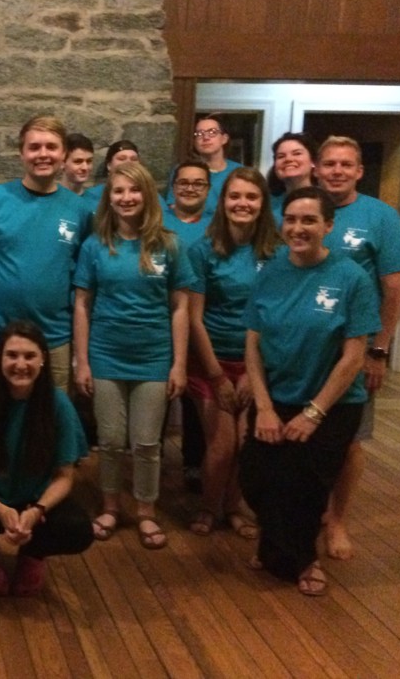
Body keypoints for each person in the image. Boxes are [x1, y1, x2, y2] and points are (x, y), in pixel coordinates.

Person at [240, 186, 380, 596]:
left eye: (309, 220)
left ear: (328, 226)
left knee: (304, 485)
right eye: (292, 220)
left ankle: (303, 560)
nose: (298, 228)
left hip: (331, 403)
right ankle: (275, 544)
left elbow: (353, 357)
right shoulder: (271, 272)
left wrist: (314, 413)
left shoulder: (351, 278)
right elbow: (253, 341)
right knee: (257, 477)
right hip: (276, 394)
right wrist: (264, 407)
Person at [73, 161, 193, 550]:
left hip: (154, 358)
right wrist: (83, 361)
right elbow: (82, 305)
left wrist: (178, 363)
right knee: (109, 440)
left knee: (145, 443)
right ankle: (110, 506)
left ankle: (145, 511)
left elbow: (179, 307)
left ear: (147, 195)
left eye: (133, 190)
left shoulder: (170, 244)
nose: (126, 198)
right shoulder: (96, 245)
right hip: (106, 355)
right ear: (110, 197)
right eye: (118, 191)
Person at [314, 136, 400, 560]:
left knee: (349, 441)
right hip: (303, 347)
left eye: (345, 164)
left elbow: (394, 287)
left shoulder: (380, 216)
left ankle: (337, 520)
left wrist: (380, 349)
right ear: (316, 169)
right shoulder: (300, 208)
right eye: (330, 163)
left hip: (355, 349)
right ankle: (307, 510)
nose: (337, 170)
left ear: (358, 171)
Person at [0, 321, 93, 596]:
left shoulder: (58, 403)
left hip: (36, 503)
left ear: (43, 360)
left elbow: (65, 476)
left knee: (79, 529)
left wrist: (37, 510)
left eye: (29, 356)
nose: (20, 364)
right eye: (12, 355)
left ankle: (33, 555)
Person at [0, 116, 91, 391]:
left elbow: (85, 276)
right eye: (34, 147)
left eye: (51, 147)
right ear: (21, 153)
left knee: (51, 421)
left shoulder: (79, 210)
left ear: (63, 154)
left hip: (54, 338)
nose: (43, 154)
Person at [186, 168, 279, 537]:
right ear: (222, 203)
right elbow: (194, 318)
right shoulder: (203, 250)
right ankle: (209, 507)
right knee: (222, 445)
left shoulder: (278, 251)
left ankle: (234, 505)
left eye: (251, 197)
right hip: (211, 359)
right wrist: (217, 375)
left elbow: (277, 316)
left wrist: (254, 375)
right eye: (235, 196)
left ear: (262, 204)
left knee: (245, 443)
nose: (243, 204)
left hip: (257, 361)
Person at [162, 159, 214, 491]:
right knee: (157, 397)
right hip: (157, 320)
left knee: (198, 397)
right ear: (173, 186)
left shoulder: (217, 224)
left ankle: (195, 465)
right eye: (184, 182)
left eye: (198, 183)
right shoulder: (157, 220)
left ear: (209, 190)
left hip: (201, 323)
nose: (190, 188)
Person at [182, 114, 236, 215]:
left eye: (212, 132)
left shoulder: (238, 172)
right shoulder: (183, 172)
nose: (205, 137)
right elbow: (175, 207)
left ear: (224, 139)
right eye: (199, 133)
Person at [268, 132, 317, 217]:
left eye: (297, 153)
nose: (288, 159)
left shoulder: (327, 202)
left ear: (313, 161)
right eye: (281, 156)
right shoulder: (266, 205)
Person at [82, 139, 140, 203]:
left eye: (134, 159)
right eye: (122, 159)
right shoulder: (92, 196)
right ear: (109, 165)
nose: (128, 163)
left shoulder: (147, 193)